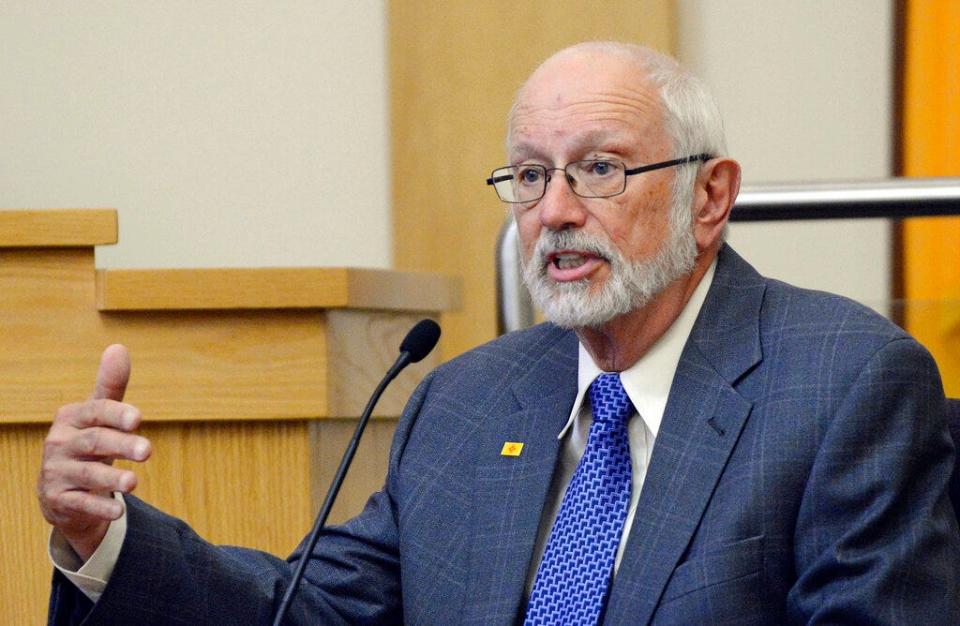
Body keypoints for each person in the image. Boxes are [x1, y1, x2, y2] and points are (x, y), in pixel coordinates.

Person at [40, 42, 960, 625]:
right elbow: (317, 610)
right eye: (527, 176)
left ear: (709, 196)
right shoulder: (466, 399)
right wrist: (106, 536)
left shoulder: (849, 386)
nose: (553, 211)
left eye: (597, 169)